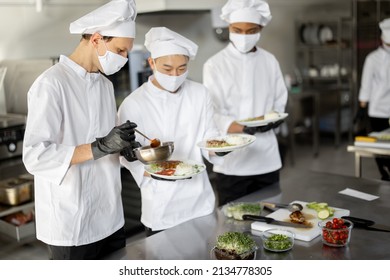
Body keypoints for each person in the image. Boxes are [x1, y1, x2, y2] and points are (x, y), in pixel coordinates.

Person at [22, 0, 138, 259]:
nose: (124, 59)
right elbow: (35, 156)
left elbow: (106, 142)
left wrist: (122, 148)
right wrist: (100, 147)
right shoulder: (51, 84)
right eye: (120, 50)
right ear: (97, 39)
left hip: (110, 216)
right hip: (71, 220)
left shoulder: (105, 86)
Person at [118, 27, 220, 236]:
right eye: (167, 69)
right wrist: (152, 172)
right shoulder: (133, 104)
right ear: (152, 63)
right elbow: (127, 155)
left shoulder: (200, 94)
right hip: (161, 205)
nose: (175, 75)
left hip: (200, 200)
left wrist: (220, 149)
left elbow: (210, 136)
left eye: (182, 68)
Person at [203, 0, 288, 206]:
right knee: (234, 223)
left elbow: (279, 101)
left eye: (251, 31)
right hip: (233, 162)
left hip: (266, 158)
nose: (244, 36)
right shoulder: (215, 65)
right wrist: (243, 128)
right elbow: (213, 112)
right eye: (237, 30)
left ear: (260, 29)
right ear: (229, 28)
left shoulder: (270, 61)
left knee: (270, 218)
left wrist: (274, 119)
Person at [355, 18, 390, 181]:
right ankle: (384, 173)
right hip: (377, 110)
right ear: (382, 39)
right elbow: (366, 84)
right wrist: (362, 107)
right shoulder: (372, 59)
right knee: (379, 147)